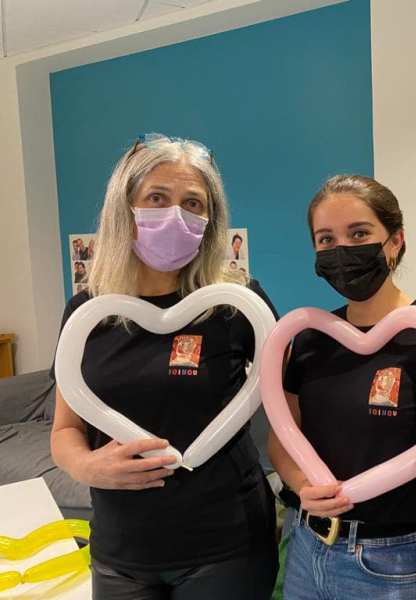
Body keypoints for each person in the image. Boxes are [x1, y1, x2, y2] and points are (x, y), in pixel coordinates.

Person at [50, 134, 279, 599]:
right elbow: (64, 429)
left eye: (193, 203)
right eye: (157, 198)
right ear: (125, 208)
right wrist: (89, 467)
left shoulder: (237, 304)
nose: (176, 214)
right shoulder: (87, 312)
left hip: (228, 548)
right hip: (120, 552)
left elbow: (289, 409)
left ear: (210, 220)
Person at [268, 175, 416, 599]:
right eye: (326, 239)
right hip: (306, 549)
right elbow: (282, 437)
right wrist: (301, 486)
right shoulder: (309, 338)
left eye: (359, 233)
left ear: (396, 240)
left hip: (394, 562)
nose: (342, 250)